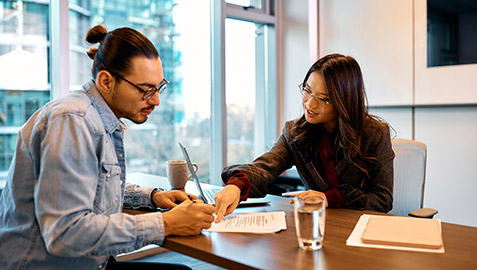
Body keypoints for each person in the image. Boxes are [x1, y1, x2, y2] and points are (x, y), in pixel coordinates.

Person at [0, 25, 215, 270]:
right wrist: (165, 224)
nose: (155, 100)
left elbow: (93, 187)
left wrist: (153, 197)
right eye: (146, 90)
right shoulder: (73, 121)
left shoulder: (96, 119)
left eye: (159, 87)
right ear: (106, 81)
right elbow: (65, 234)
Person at [214, 53, 395, 222]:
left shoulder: (375, 133)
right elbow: (264, 167)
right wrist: (236, 185)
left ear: (344, 101)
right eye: (307, 90)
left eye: (323, 99)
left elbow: (382, 199)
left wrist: (330, 198)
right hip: (317, 224)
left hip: (360, 226)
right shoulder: (295, 132)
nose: (309, 103)